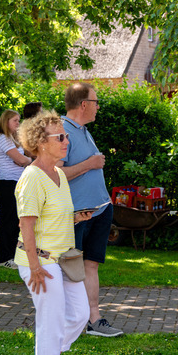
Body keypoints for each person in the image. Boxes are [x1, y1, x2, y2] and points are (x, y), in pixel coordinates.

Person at [15, 110, 94, 355]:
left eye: (66, 135)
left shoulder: (59, 174)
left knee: (79, 315)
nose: (66, 140)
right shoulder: (32, 177)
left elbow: (53, 217)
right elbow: (27, 224)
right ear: (40, 142)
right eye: (60, 137)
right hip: (41, 261)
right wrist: (35, 266)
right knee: (50, 319)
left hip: (64, 259)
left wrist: (76, 218)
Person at [60, 82, 122, 337]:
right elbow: (55, 174)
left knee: (91, 265)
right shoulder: (62, 131)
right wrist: (90, 164)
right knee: (70, 268)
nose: (98, 107)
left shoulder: (83, 130)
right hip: (76, 215)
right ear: (83, 104)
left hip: (98, 210)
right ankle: (70, 320)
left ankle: (93, 319)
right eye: (95, 102)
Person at [0, 109, 31, 268]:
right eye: (15, 120)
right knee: (8, 220)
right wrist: (25, 160)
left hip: (16, 183)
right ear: (6, 122)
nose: (18, 123)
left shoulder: (13, 139)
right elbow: (21, 159)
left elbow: (26, 157)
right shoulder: (3, 139)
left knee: (15, 220)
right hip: (7, 184)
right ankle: (3, 257)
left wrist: (25, 159)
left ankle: (13, 255)